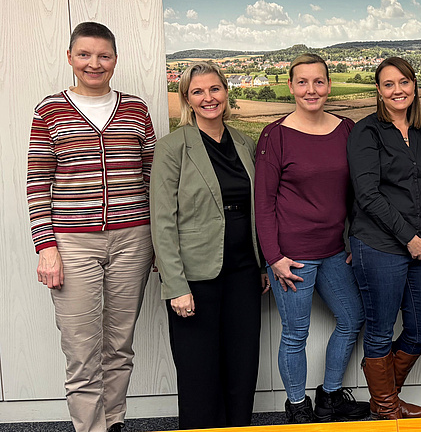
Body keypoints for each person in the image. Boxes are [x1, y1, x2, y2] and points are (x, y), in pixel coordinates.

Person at [27, 22, 155, 432]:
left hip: (133, 240)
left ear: (115, 60)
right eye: (84, 54)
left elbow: (154, 178)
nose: (93, 63)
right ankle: (90, 428)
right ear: (70, 58)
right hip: (73, 245)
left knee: (119, 345)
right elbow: (37, 181)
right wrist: (46, 247)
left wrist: (160, 244)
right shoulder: (49, 110)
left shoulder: (136, 109)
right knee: (82, 350)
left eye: (103, 56)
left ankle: (114, 422)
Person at [151, 61, 268, 429]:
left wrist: (262, 264)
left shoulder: (244, 142)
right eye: (197, 92)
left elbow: (257, 208)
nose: (208, 98)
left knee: (241, 365)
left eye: (214, 89)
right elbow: (162, 220)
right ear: (187, 98)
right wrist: (175, 285)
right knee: (198, 372)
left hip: (244, 272)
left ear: (226, 91)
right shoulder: (172, 147)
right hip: (194, 277)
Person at [254, 53, 368, 424]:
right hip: (292, 257)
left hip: (335, 251)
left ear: (329, 85)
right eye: (302, 82)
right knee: (295, 334)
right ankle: (297, 406)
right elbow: (264, 204)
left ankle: (330, 396)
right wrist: (273, 258)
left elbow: (357, 193)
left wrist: (356, 241)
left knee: (353, 318)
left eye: (318, 81)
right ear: (290, 86)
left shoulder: (347, 129)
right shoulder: (276, 135)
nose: (311, 90)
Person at [347, 57, 421, 420]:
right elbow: (367, 195)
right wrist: (409, 239)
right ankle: (387, 409)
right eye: (389, 84)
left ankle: (384, 398)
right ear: (379, 91)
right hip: (378, 245)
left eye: (403, 82)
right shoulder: (366, 132)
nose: (397, 90)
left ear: (414, 86)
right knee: (381, 329)